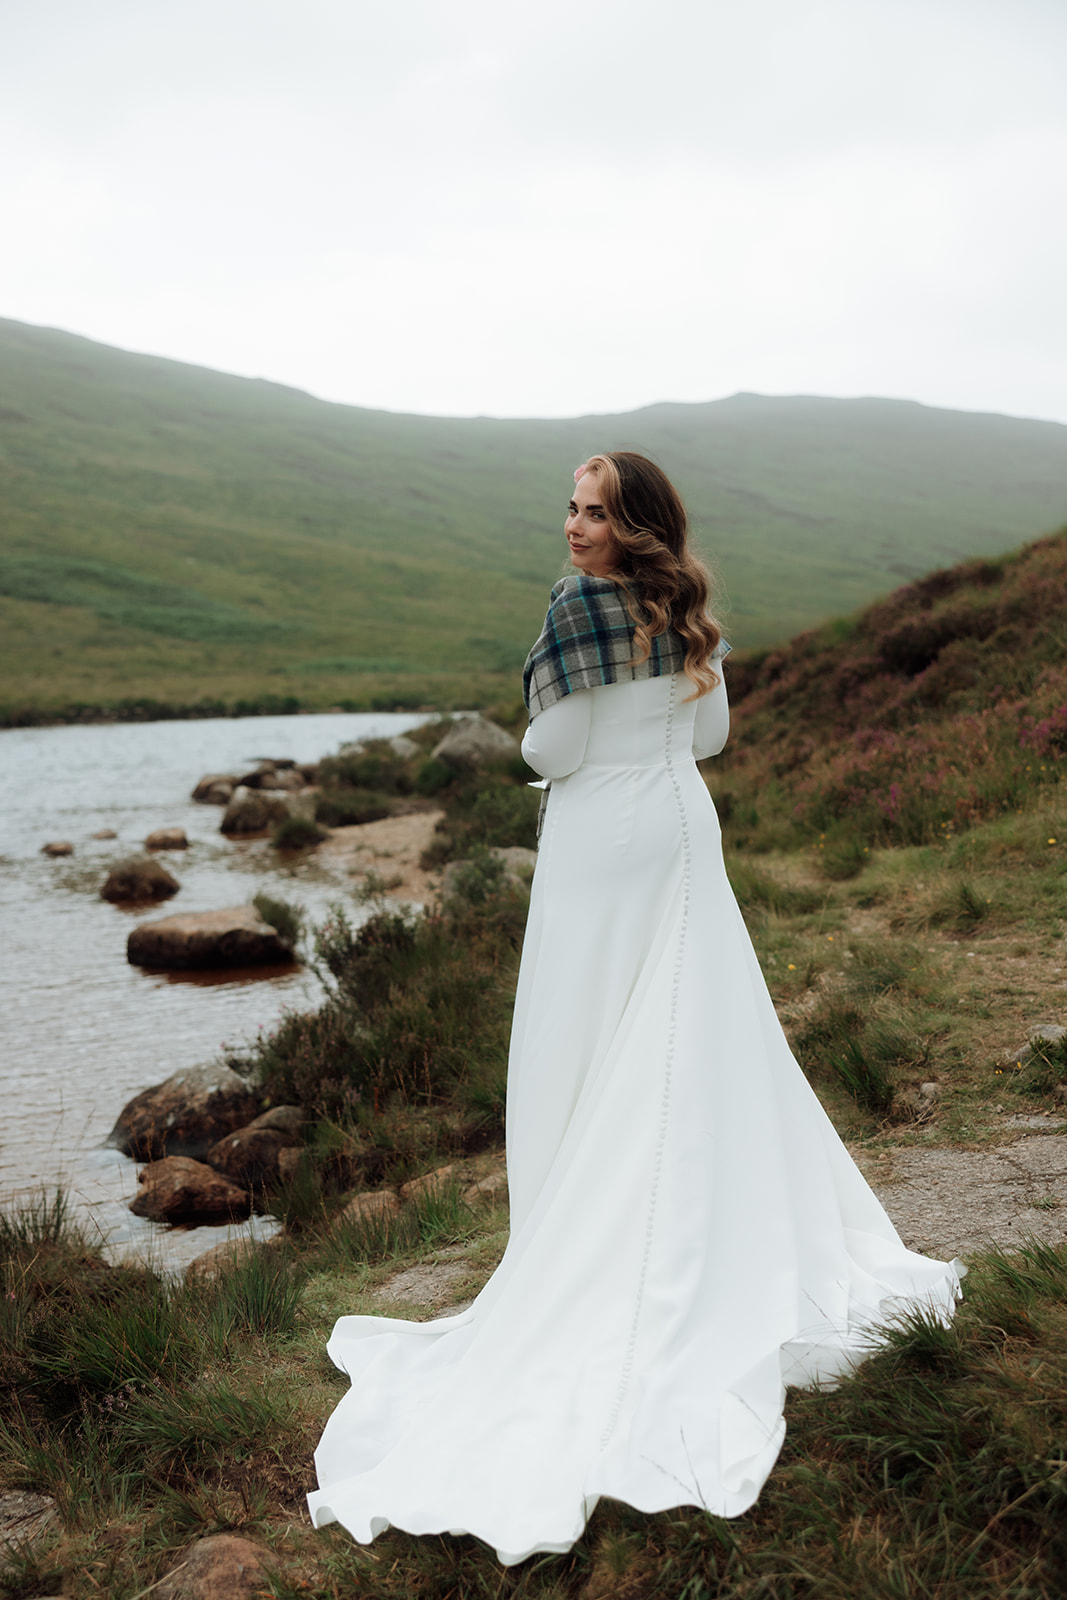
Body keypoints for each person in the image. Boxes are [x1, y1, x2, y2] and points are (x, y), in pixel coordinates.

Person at [308, 451, 963, 1566]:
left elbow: (550, 748)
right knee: (695, 1037)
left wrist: (539, 730)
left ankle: (592, 1242)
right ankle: (711, 1226)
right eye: (568, 506)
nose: (572, 526)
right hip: (678, 826)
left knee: (587, 1039)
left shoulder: (573, 610)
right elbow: (706, 741)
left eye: (594, 510)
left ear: (630, 524)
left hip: (599, 843)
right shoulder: (689, 609)